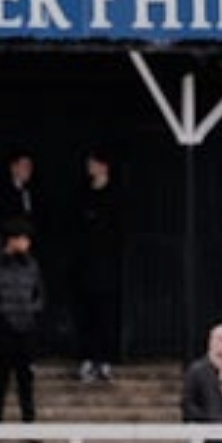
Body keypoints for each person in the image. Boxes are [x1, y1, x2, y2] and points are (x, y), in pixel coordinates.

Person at [0, 220, 45, 426]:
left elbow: (40, 294)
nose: (27, 244)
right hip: (1, 331)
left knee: (26, 382)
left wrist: (33, 309)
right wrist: (0, 311)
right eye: (23, 239)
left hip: (26, 330)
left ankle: (30, 426)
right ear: (12, 240)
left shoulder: (32, 264)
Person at [74, 150, 123, 382]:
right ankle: (87, 359)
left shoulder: (116, 194)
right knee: (86, 313)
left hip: (107, 266)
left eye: (93, 163)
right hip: (85, 265)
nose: (89, 168)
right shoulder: (82, 193)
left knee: (105, 314)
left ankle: (104, 360)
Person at [0, 151, 38, 234]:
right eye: (25, 166)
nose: (29, 170)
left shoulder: (33, 191)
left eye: (31, 166)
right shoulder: (0, 191)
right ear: (13, 168)